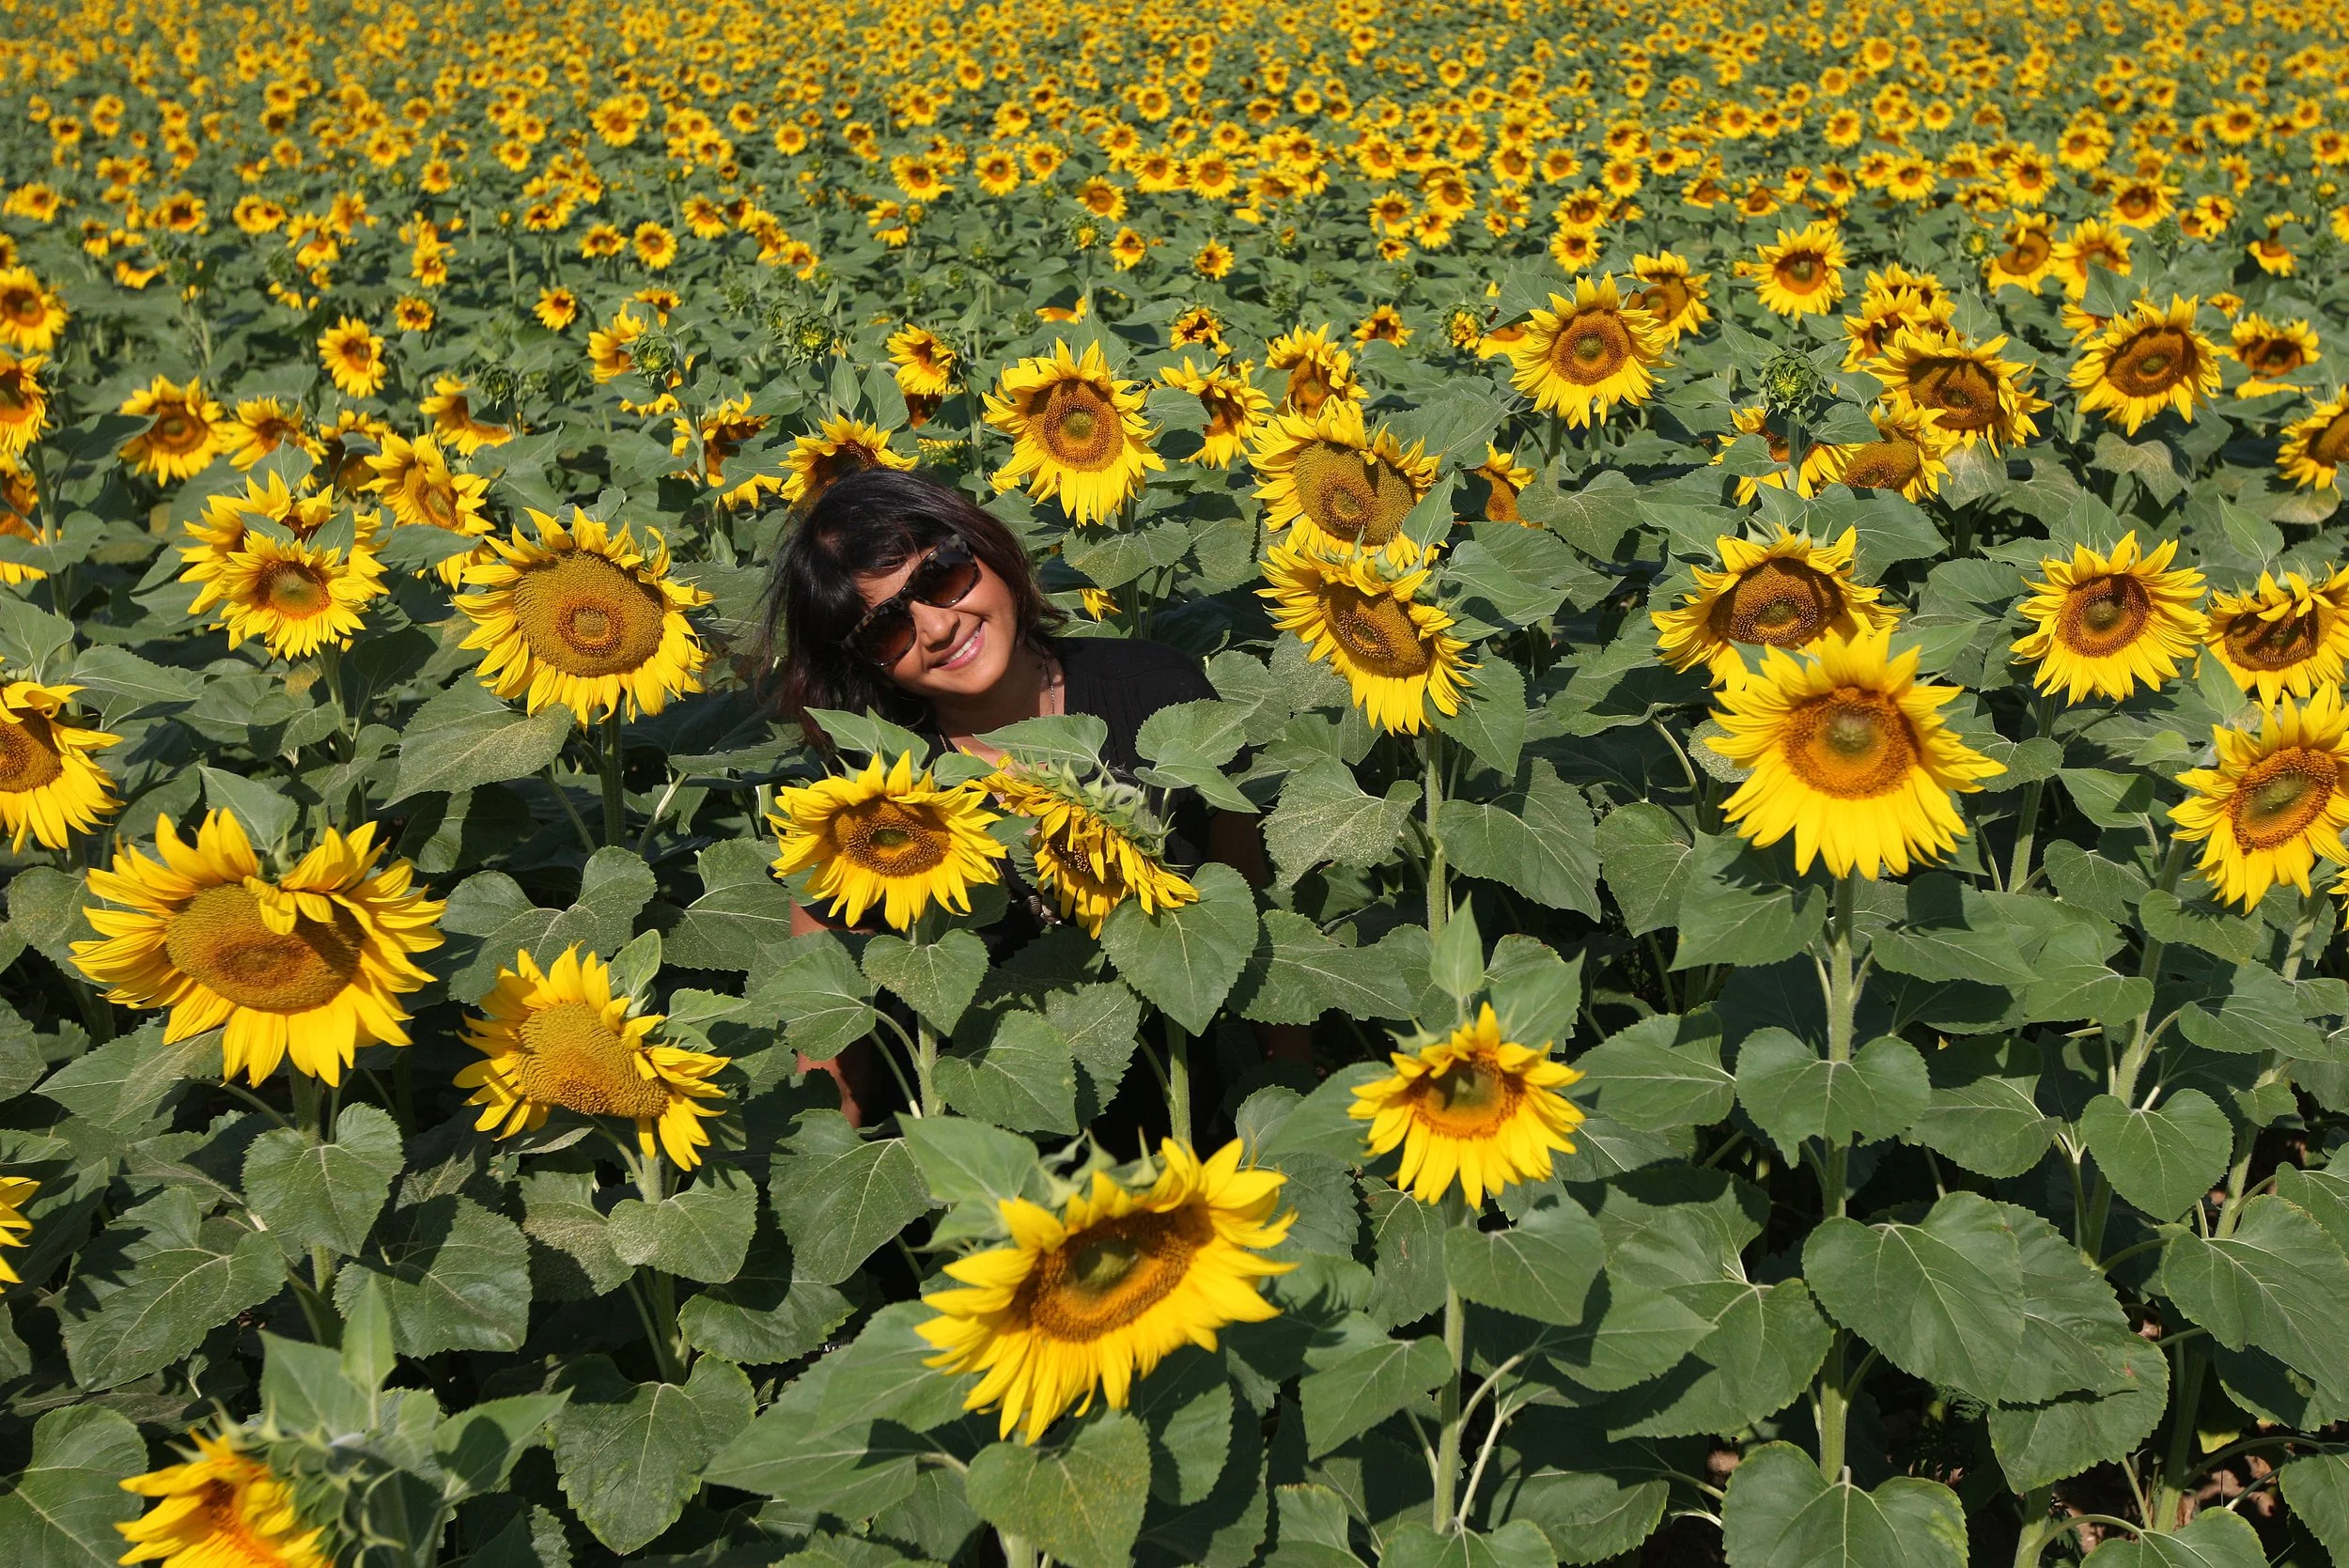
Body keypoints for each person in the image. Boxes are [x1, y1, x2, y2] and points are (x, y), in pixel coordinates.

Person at [754, 467, 1302, 1124]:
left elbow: (1254, 915)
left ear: (984, 546)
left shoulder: (1160, 693)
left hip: (1187, 1151)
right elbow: (833, 1057)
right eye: (885, 630)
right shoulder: (867, 804)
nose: (936, 627)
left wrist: (1297, 1116)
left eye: (941, 575)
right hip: (976, 1183)